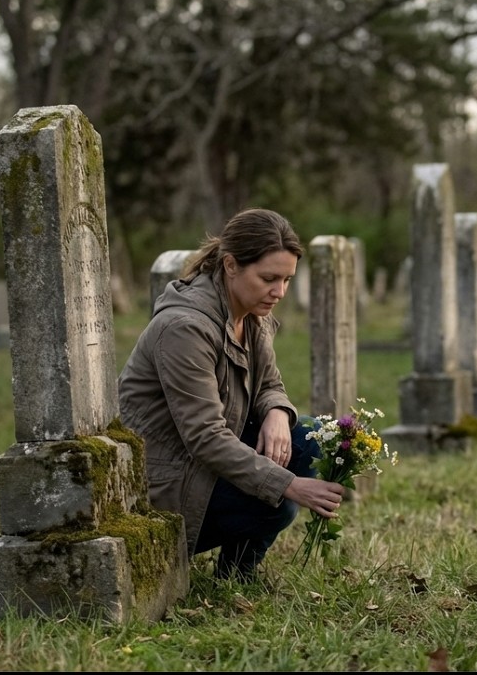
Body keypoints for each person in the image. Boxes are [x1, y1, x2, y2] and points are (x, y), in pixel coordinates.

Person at [117, 207, 346, 581]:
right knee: (278, 506)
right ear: (230, 265)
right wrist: (290, 485)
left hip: (204, 464)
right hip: (167, 483)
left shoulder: (251, 314)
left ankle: (236, 572)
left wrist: (275, 413)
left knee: (308, 439)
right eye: (269, 278)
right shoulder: (184, 329)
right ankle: (235, 575)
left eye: (287, 280)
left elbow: (270, 383)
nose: (280, 292)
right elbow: (205, 437)